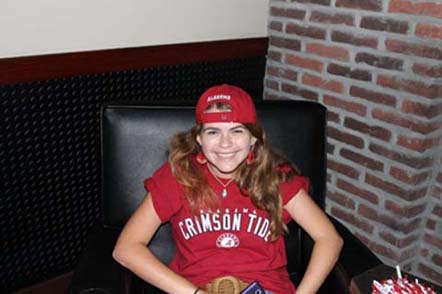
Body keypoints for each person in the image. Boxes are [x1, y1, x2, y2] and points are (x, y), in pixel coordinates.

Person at [113, 84, 343, 294]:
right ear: (199, 138)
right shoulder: (178, 176)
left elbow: (329, 238)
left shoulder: (275, 177)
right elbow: (126, 248)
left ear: (253, 138)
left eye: (237, 131)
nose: (225, 143)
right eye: (213, 131)